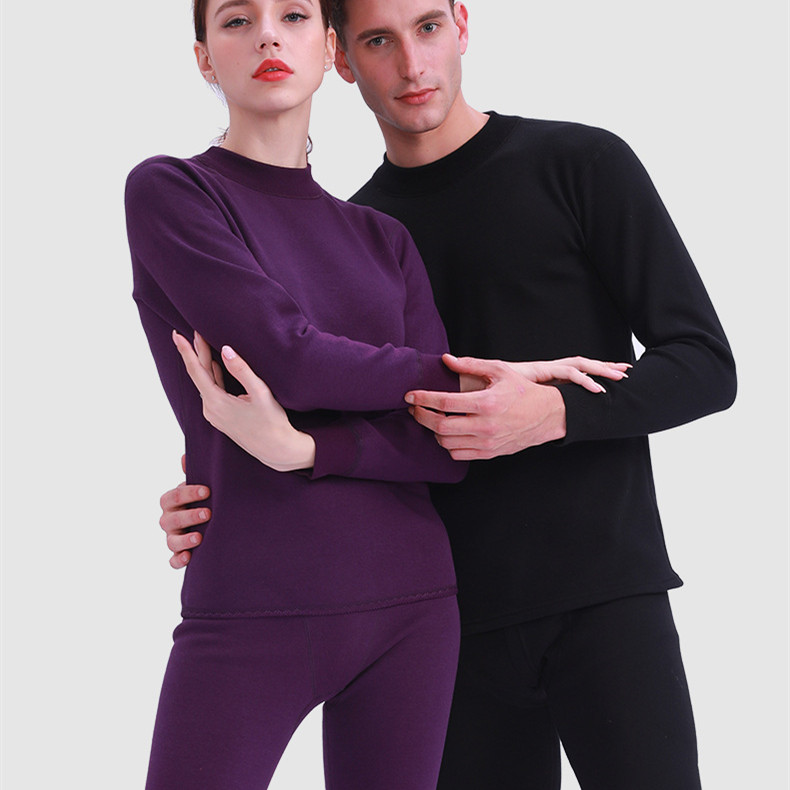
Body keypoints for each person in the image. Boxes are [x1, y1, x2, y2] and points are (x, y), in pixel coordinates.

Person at [158, 0, 736, 788]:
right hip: (447, 622)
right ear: (343, 58)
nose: (411, 63)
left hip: (605, 597)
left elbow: (705, 365)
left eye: (428, 27)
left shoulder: (581, 163)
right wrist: (218, 488)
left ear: (463, 24)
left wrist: (557, 412)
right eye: (378, 40)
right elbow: (305, 399)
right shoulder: (362, 232)